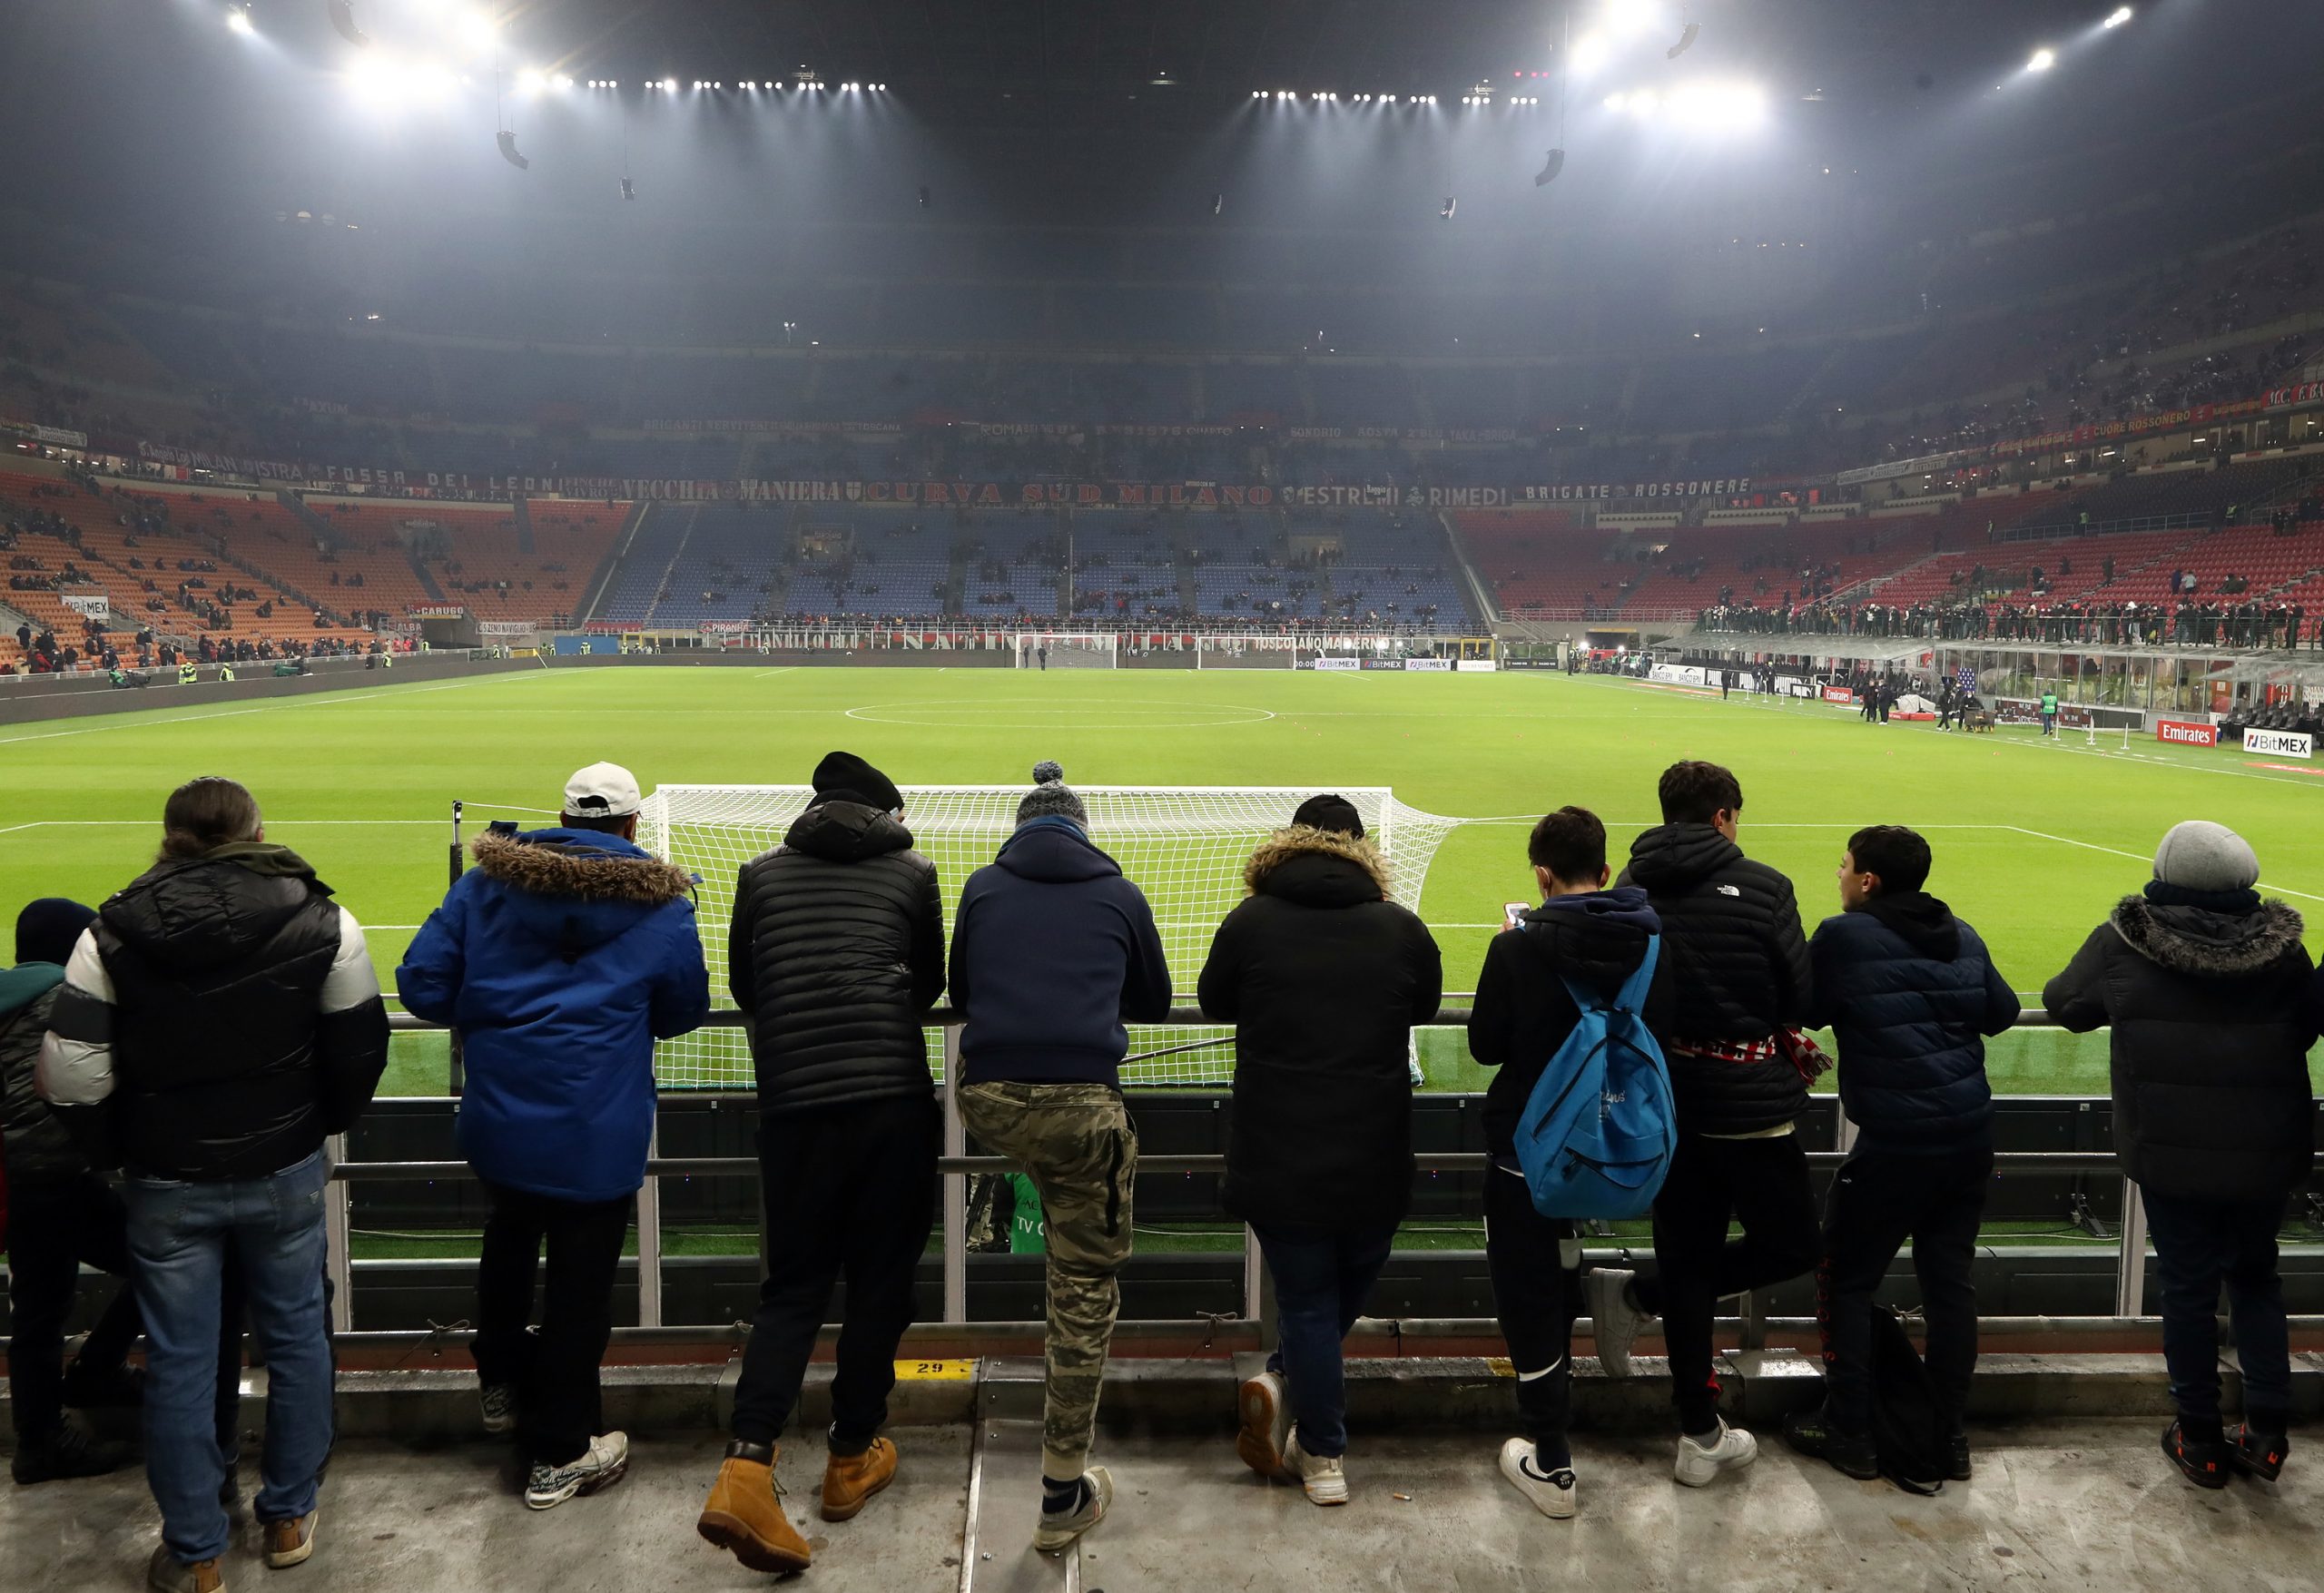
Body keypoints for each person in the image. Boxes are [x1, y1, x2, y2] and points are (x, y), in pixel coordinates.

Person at [36, 777, 390, 1593]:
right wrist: (313, 1126)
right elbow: (359, 1050)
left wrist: (124, 1149)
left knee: (182, 1362)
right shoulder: (322, 917)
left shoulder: (107, 934)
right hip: (284, 1174)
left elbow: (70, 1075)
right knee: (299, 1343)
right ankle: (291, 1515)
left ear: (167, 838)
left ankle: (196, 1553)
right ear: (257, 830)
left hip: (166, 1183)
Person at [398, 762, 709, 1513]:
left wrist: (500, 1013)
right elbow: (682, 1010)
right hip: (598, 1126)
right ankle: (560, 1452)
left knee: (508, 1237)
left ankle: (502, 1379)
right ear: (633, 827)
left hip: (501, 1115)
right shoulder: (663, 905)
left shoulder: (485, 886)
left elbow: (422, 984)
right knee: (579, 1286)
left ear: (562, 819)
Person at [696, 752, 945, 1574]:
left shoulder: (760, 875)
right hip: (890, 1102)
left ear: (816, 809)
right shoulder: (914, 871)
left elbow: (746, 988)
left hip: (795, 1105)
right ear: (884, 814)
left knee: (794, 1287)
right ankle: (849, 1457)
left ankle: (746, 1464)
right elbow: (926, 988)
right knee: (880, 1283)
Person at [2044, 821, 2317, 1489]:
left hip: (2170, 1152)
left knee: (2189, 1290)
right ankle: (2268, 1433)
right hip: (2266, 1148)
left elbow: (2064, 1004)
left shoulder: (2123, 941)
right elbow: (2306, 1024)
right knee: (2256, 1279)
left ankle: (2200, 1438)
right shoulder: (2284, 952)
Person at [950, 762, 1170, 1551]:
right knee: (1081, 1293)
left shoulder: (982, 885)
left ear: (1020, 830)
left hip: (989, 1101)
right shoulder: (1119, 892)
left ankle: (996, 1207)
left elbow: (963, 990)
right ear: (1082, 829)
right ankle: (1060, 1492)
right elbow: (1153, 998)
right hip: (1083, 1110)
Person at [1199, 794, 1442, 1507]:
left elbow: (1215, 1001)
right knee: (1334, 1297)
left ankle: (1289, 1391)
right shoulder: (1400, 928)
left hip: (1278, 1147)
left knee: (1308, 1301)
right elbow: (1425, 1004)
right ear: (1363, 851)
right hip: (1375, 1148)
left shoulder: (1250, 921)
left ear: (1288, 843)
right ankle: (1319, 1445)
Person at [1585, 761, 1817, 1487]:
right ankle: (1647, 1299)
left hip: (1665, 1107)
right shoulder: (1767, 886)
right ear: (1723, 816)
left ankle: (1696, 1424)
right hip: (1749, 1108)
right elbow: (1800, 993)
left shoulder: (1629, 888)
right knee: (1792, 1242)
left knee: (1688, 1259)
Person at [1780, 827, 2018, 1481]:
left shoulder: (1845, 934)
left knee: (1846, 1278)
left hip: (1895, 1146)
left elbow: (1805, 1005)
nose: (1838, 873)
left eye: (1845, 864)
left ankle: (1851, 1429)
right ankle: (1948, 1439)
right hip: (1969, 1141)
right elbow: (2002, 1010)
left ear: (1869, 882)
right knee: (1949, 1288)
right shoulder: (1962, 933)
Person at [1468, 807, 1664, 1520]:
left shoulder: (1518, 949)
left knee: (1528, 1293)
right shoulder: (1649, 942)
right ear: (1606, 872)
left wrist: (1506, 947)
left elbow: (1488, 1044)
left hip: (1531, 1149)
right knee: (1561, 1264)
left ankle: (1552, 1461)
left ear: (1542, 875)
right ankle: (1617, 1288)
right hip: (1621, 1143)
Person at [5, 897, 142, 1485]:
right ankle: (94, 1372)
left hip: (16, 1182)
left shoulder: (9, 995)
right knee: (160, 1260)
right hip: (53, 1177)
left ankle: (40, 1437)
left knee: (38, 1308)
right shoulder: (64, 999)